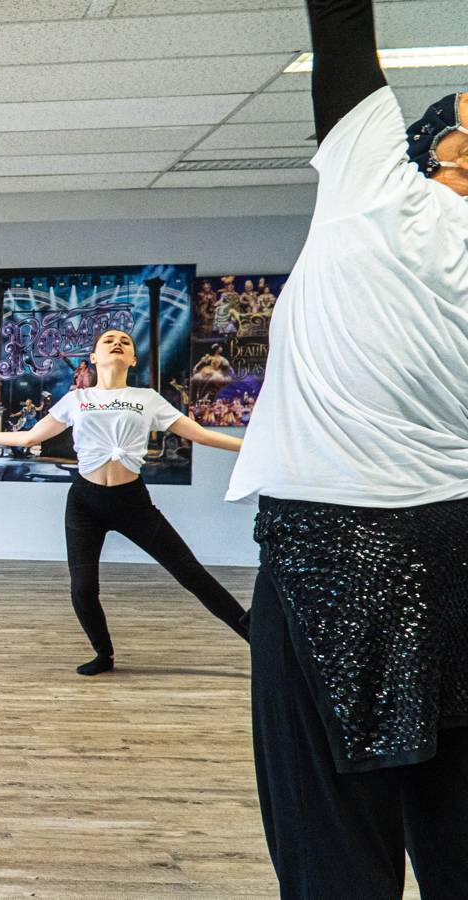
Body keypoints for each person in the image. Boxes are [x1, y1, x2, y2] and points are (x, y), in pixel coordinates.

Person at [226, 2, 468, 895]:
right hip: (450, 548)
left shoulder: (375, 184)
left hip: (334, 553)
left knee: (334, 851)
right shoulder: (388, 190)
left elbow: (339, 22)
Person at [0, 329, 250, 676]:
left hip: (132, 502)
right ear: (94, 357)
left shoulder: (147, 398)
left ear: (133, 359)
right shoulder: (76, 399)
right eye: (108, 340)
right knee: (83, 588)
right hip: (85, 502)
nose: (117, 343)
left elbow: (201, 435)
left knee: (191, 575)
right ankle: (104, 654)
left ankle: (257, 640)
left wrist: (252, 447)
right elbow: (30, 437)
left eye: (125, 342)